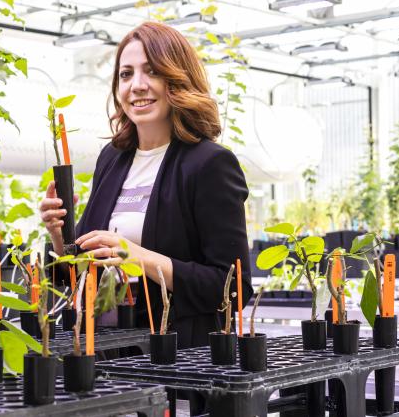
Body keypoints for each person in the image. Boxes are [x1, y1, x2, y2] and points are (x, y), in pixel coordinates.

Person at [40, 21, 253, 349]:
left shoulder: (208, 164)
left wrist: (137, 256)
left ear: (178, 78)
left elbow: (233, 288)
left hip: (178, 355)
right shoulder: (112, 159)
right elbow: (82, 269)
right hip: (108, 350)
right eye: (126, 74)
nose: (136, 85)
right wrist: (59, 235)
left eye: (151, 71)